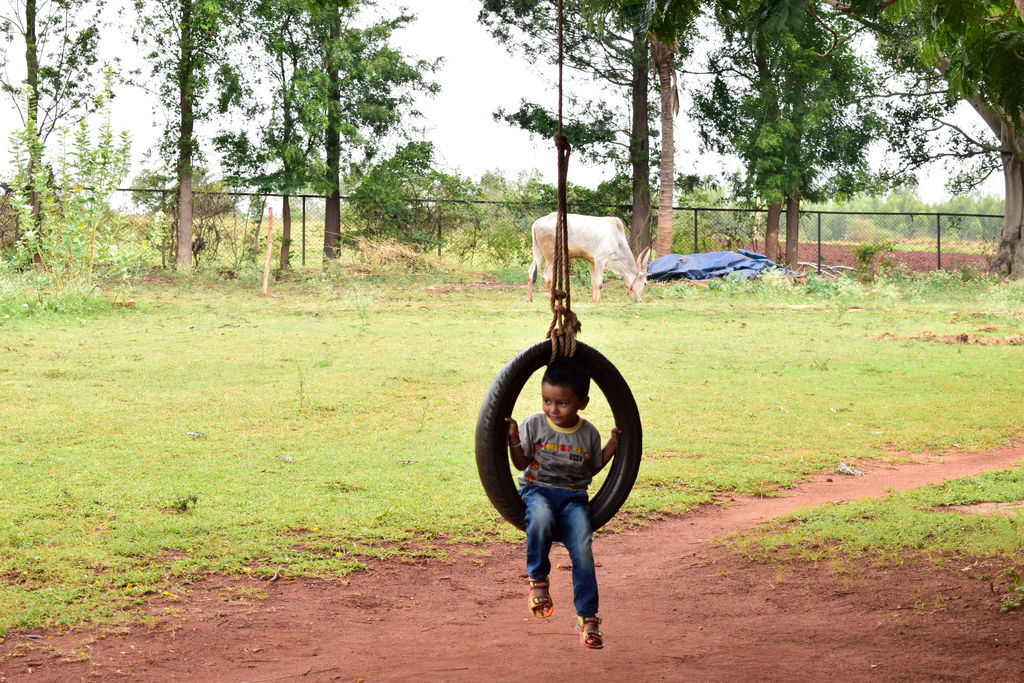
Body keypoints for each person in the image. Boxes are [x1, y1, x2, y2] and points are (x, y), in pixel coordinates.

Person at [505, 355, 621, 649]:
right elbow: (521, 464)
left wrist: (613, 445)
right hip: (537, 490)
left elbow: (591, 467)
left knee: (582, 549)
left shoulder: (588, 433)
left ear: (582, 402)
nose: (552, 409)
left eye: (562, 403)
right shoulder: (534, 424)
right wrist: (513, 439)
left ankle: (588, 617)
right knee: (540, 518)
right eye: (546, 400)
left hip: (573, 497)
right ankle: (538, 580)